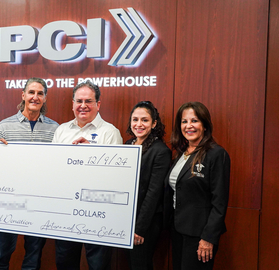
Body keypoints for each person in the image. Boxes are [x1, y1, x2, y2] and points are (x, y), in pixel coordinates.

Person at [52, 81, 122, 270]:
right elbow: (53, 169)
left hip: (97, 211)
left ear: (98, 104)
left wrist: (92, 154)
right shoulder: (61, 131)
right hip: (66, 209)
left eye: (89, 101)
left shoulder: (110, 133)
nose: (83, 105)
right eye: (79, 101)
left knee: (98, 265)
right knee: (65, 261)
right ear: (72, 104)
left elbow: (117, 175)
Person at [0, 77, 59, 270]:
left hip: (39, 201)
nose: (35, 97)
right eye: (31, 92)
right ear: (23, 95)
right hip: (8, 201)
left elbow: (57, 166)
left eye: (40, 93)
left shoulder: (55, 129)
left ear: (45, 98)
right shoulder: (4, 126)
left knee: (33, 255)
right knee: (1, 253)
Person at [164, 102, 230, 270]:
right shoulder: (181, 153)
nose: (189, 126)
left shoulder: (216, 154)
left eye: (194, 121)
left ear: (205, 125)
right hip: (178, 230)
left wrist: (208, 238)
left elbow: (219, 202)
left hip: (200, 235)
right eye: (184, 121)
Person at [124, 101, 171, 270]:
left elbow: (154, 193)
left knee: (141, 264)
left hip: (146, 222)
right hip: (127, 219)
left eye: (144, 120)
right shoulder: (128, 145)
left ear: (154, 123)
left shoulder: (161, 151)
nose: (139, 124)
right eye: (135, 119)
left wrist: (140, 229)